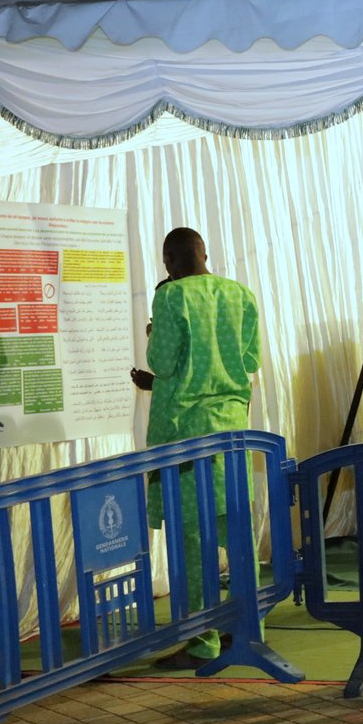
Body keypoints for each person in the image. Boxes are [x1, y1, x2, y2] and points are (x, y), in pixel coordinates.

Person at [131, 227, 261, 668]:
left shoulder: (171, 298)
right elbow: (249, 361)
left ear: (168, 260)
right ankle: (245, 629)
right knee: (236, 533)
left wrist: (154, 336)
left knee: (191, 539)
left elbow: (164, 362)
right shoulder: (239, 294)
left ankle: (200, 641)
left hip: (185, 435)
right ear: (205, 252)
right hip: (230, 431)